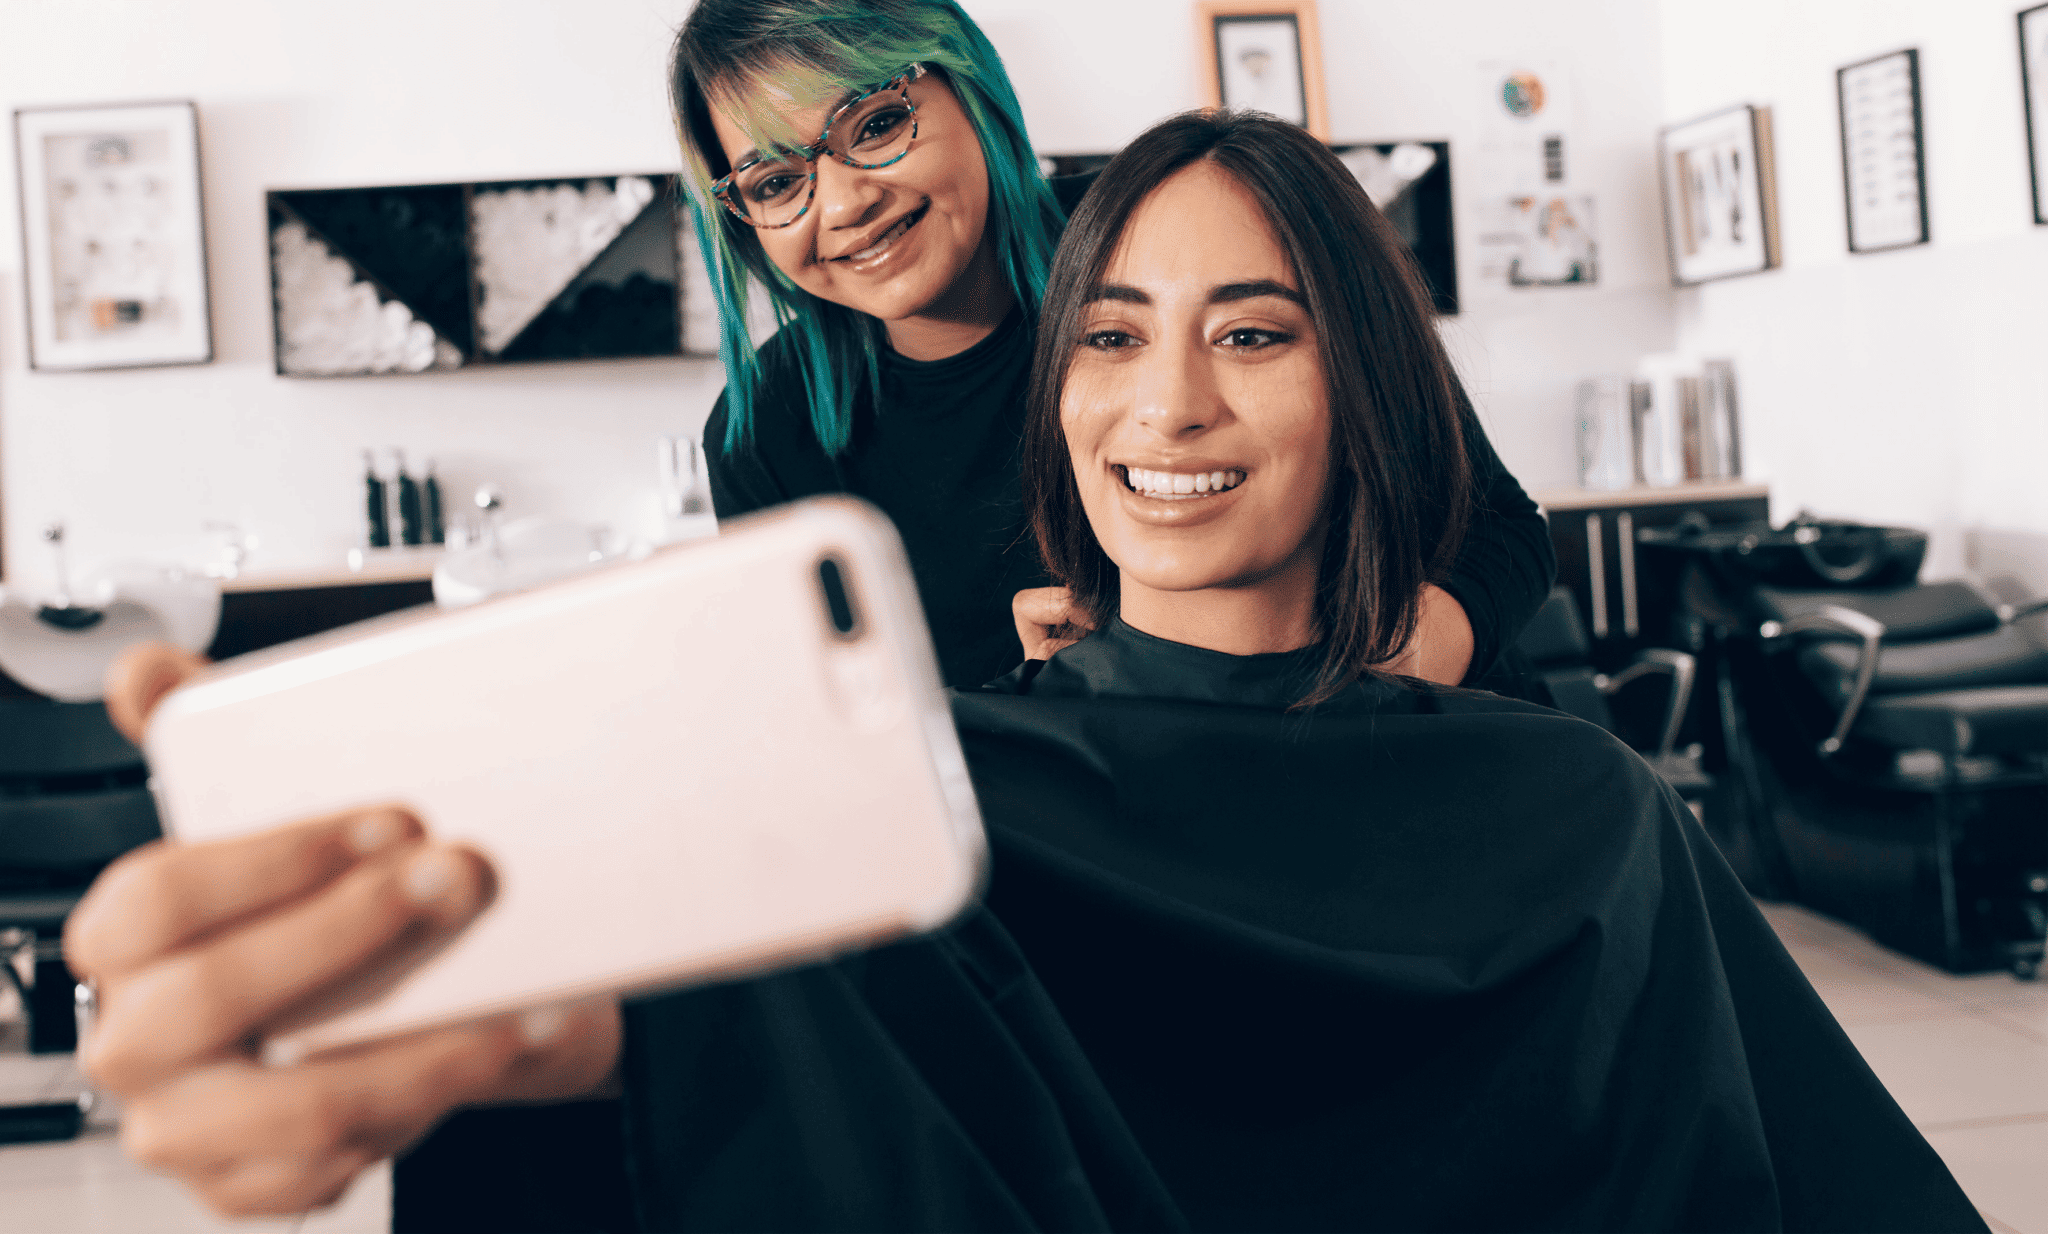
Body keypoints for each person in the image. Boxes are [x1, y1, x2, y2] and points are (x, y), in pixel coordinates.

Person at [70, 110, 1981, 1233]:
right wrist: (548, 1042)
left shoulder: (1574, 807)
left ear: (1369, 395)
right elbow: (797, 1046)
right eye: (1110, 339)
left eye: (1254, 333)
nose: (1167, 404)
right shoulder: (933, 797)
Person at [671, 0, 1554, 691]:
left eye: (874, 125)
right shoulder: (766, 435)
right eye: (775, 181)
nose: (844, 203)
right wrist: (1055, 697)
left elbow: (1500, 533)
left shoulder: (1171, 230)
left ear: (971, 89)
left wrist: (1393, 671)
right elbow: (842, 721)